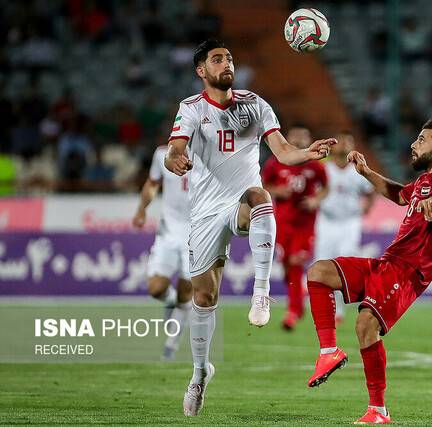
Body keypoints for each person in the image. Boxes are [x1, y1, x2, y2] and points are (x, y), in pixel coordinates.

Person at [163, 38, 335, 417]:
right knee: (204, 297)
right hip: (205, 213)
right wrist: (175, 161)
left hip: (240, 201)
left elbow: (284, 151)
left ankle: (262, 292)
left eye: (229, 58)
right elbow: (175, 148)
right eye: (217, 59)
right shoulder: (191, 109)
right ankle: (199, 374)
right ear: (201, 71)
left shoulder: (255, 104)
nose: (227, 63)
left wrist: (309, 152)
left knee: (260, 196)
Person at [305, 119, 432, 424]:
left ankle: (377, 410)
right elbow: (398, 194)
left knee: (366, 325)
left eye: (421, 139)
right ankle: (328, 351)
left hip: (408, 272)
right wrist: (366, 173)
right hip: (387, 263)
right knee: (319, 271)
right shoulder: (422, 182)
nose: (413, 144)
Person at [262, 125, 328, 331]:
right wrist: (276, 190)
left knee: (296, 262)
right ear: (287, 138)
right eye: (295, 136)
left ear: (308, 139)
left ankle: (292, 312)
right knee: (287, 268)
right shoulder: (275, 163)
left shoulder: (315, 166)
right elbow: (263, 185)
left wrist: (316, 200)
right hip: (281, 223)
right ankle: (298, 298)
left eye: (303, 136)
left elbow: (326, 187)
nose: (299, 140)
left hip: (304, 224)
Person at [132, 144, 192, 361]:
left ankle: (171, 345)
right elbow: (152, 183)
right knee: (156, 288)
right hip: (168, 231)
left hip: (197, 232)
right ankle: (169, 300)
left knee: (188, 289)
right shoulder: (161, 154)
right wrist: (141, 210)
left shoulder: (209, 152)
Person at [313, 131, 375, 325]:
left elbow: (371, 191)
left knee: (344, 263)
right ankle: (326, 308)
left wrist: (367, 207)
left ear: (352, 145)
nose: (343, 145)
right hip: (326, 220)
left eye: (348, 141)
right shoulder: (323, 168)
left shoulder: (358, 170)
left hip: (350, 222)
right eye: (340, 142)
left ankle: (339, 308)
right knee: (322, 264)